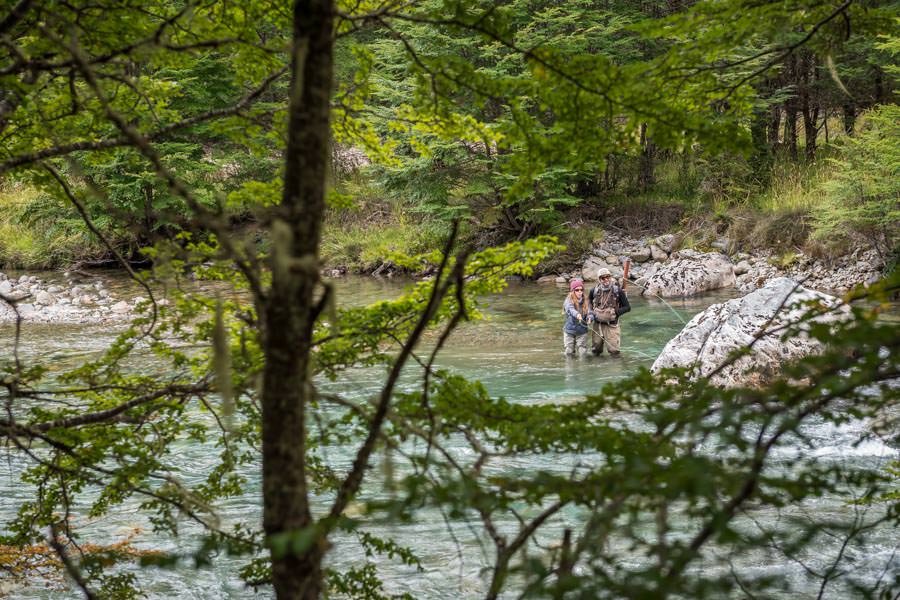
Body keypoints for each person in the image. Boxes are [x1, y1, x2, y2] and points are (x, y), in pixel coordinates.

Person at [589, 267, 630, 355]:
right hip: (597, 325)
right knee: (596, 351)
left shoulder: (618, 291)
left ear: (610, 277)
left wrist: (616, 312)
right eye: (603, 278)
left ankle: (614, 368)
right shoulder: (594, 291)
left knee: (614, 352)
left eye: (608, 277)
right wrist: (590, 314)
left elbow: (627, 307)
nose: (606, 279)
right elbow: (589, 303)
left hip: (612, 325)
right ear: (599, 279)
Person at [562, 278, 591, 356]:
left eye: (581, 290)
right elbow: (570, 309)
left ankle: (582, 367)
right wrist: (577, 314)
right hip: (569, 330)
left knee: (582, 352)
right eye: (577, 290)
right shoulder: (568, 300)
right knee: (569, 351)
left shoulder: (586, 300)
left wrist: (590, 318)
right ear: (573, 291)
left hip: (582, 330)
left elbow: (590, 312)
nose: (580, 292)